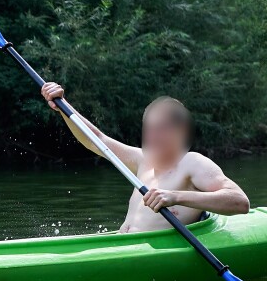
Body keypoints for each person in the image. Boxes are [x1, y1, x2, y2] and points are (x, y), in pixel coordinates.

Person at [40, 82, 249, 233]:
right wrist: (63, 107)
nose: (152, 136)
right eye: (149, 127)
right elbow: (96, 140)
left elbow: (240, 202)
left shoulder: (192, 162)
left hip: (158, 252)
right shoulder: (142, 159)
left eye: (162, 128)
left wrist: (175, 196)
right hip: (125, 245)